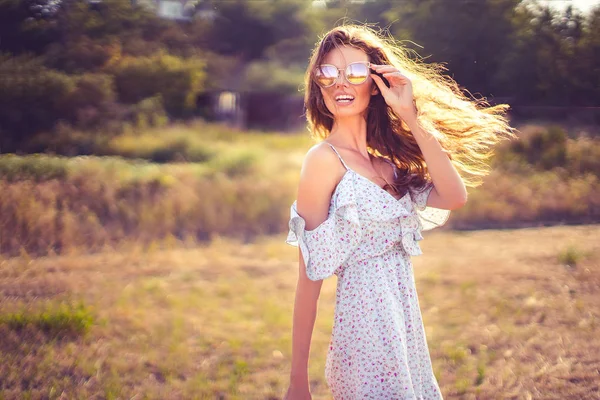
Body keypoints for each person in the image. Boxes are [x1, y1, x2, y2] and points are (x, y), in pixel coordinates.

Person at [283, 24, 515, 400]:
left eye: (355, 72)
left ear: (376, 83)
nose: (341, 83)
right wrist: (297, 382)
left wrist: (409, 115)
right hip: (364, 335)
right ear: (318, 85)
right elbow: (308, 279)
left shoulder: (388, 166)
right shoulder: (322, 161)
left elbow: (455, 196)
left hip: (405, 329)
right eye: (328, 73)